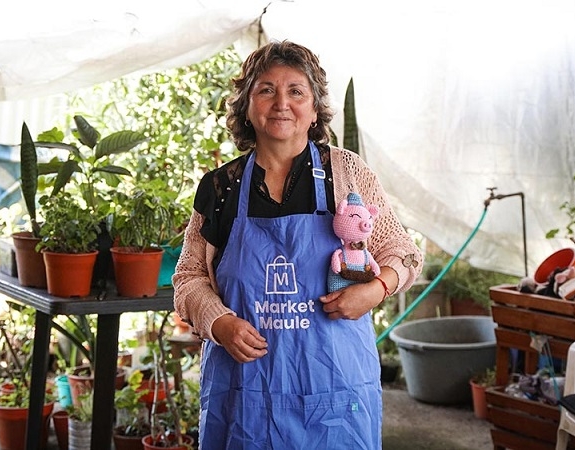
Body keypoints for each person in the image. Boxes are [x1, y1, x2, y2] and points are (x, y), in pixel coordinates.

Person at [173, 40, 423, 449]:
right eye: (266, 90)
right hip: (245, 398)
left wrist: (377, 289)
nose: (281, 104)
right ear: (247, 105)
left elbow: (404, 251)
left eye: (296, 91)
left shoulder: (346, 172)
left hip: (335, 397)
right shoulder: (221, 188)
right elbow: (189, 277)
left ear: (313, 109)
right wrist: (218, 321)